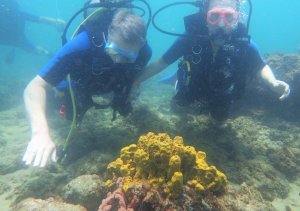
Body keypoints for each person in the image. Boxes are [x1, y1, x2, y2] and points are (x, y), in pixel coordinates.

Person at [22, 9, 152, 167]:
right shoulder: (83, 43)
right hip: (80, 85)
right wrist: (40, 133)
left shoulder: (145, 53)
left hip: (111, 84)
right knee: (67, 112)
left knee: (124, 106)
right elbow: (34, 87)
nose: (118, 61)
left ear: (141, 45)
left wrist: (132, 87)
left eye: (127, 57)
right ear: (108, 34)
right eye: (114, 51)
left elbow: (134, 75)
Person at [137, 0, 290, 121]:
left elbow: (260, 66)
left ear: (237, 17)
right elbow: (161, 62)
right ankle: (177, 80)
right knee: (179, 107)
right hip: (193, 84)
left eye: (229, 16)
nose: (221, 24)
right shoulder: (190, 39)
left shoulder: (243, 42)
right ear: (205, 16)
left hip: (222, 90)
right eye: (215, 16)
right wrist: (135, 81)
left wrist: (272, 82)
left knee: (219, 121)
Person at [0, 0, 65, 60]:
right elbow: (39, 19)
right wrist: (55, 22)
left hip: (10, 39)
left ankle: (46, 52)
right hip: (16, 39)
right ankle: (46, 52)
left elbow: (39, 19)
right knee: (33, 48)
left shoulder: (16, 11)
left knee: (32, 48)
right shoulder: (17, 11)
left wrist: (55, 22)